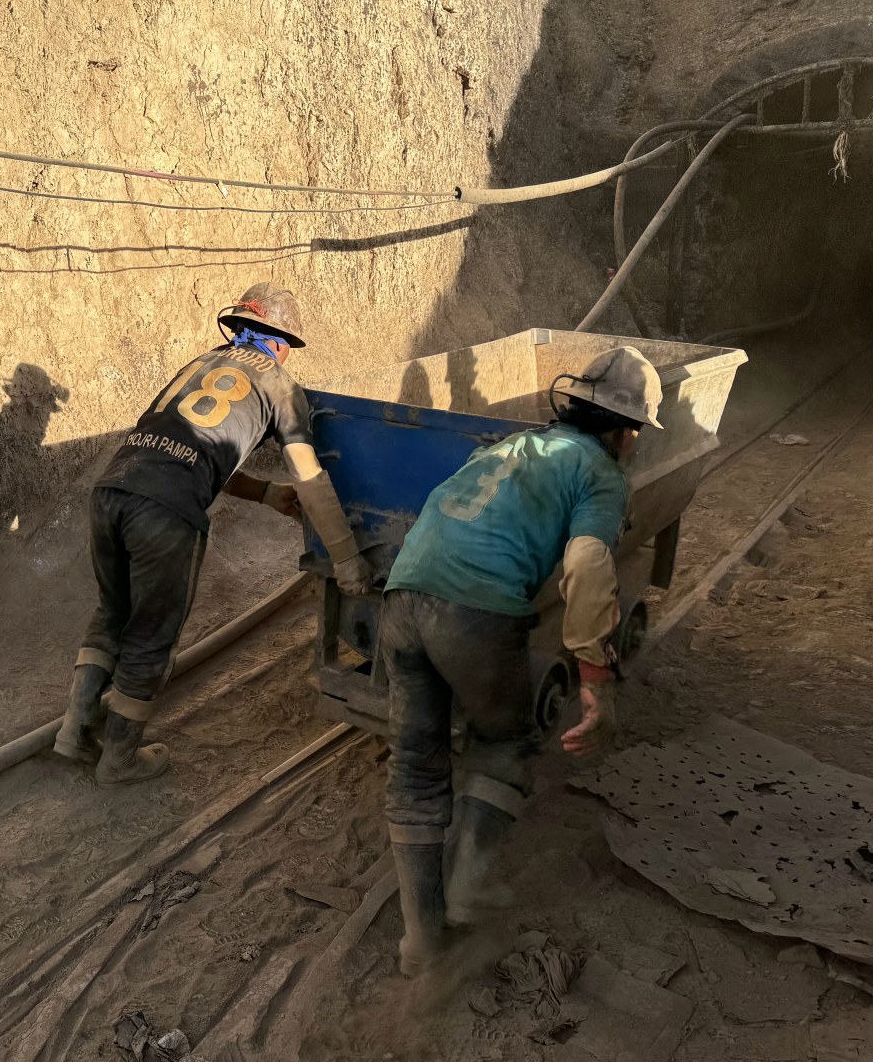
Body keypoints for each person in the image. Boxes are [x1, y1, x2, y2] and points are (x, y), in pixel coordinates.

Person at [377, 346, 664, 976]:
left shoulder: (511, 446)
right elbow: (589, 566)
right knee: (502, 743)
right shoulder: (602, 472)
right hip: (472, 613)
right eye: (637, 432)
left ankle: (420, 942)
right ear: (627, 430)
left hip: (400, 599)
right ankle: (469, 890)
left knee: (416, 769)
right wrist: (595, 681)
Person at [53, 283, 370, 785]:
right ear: (282, 340)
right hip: (167, 513)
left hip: (113, 488)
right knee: (151, 635)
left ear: (238, 327)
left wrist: (265, 494)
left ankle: (74, 731)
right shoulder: (283, 388)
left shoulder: (200, 363)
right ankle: (119, 760)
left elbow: (189, 448)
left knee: (113, 611)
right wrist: (347, 557)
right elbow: (309, 476)